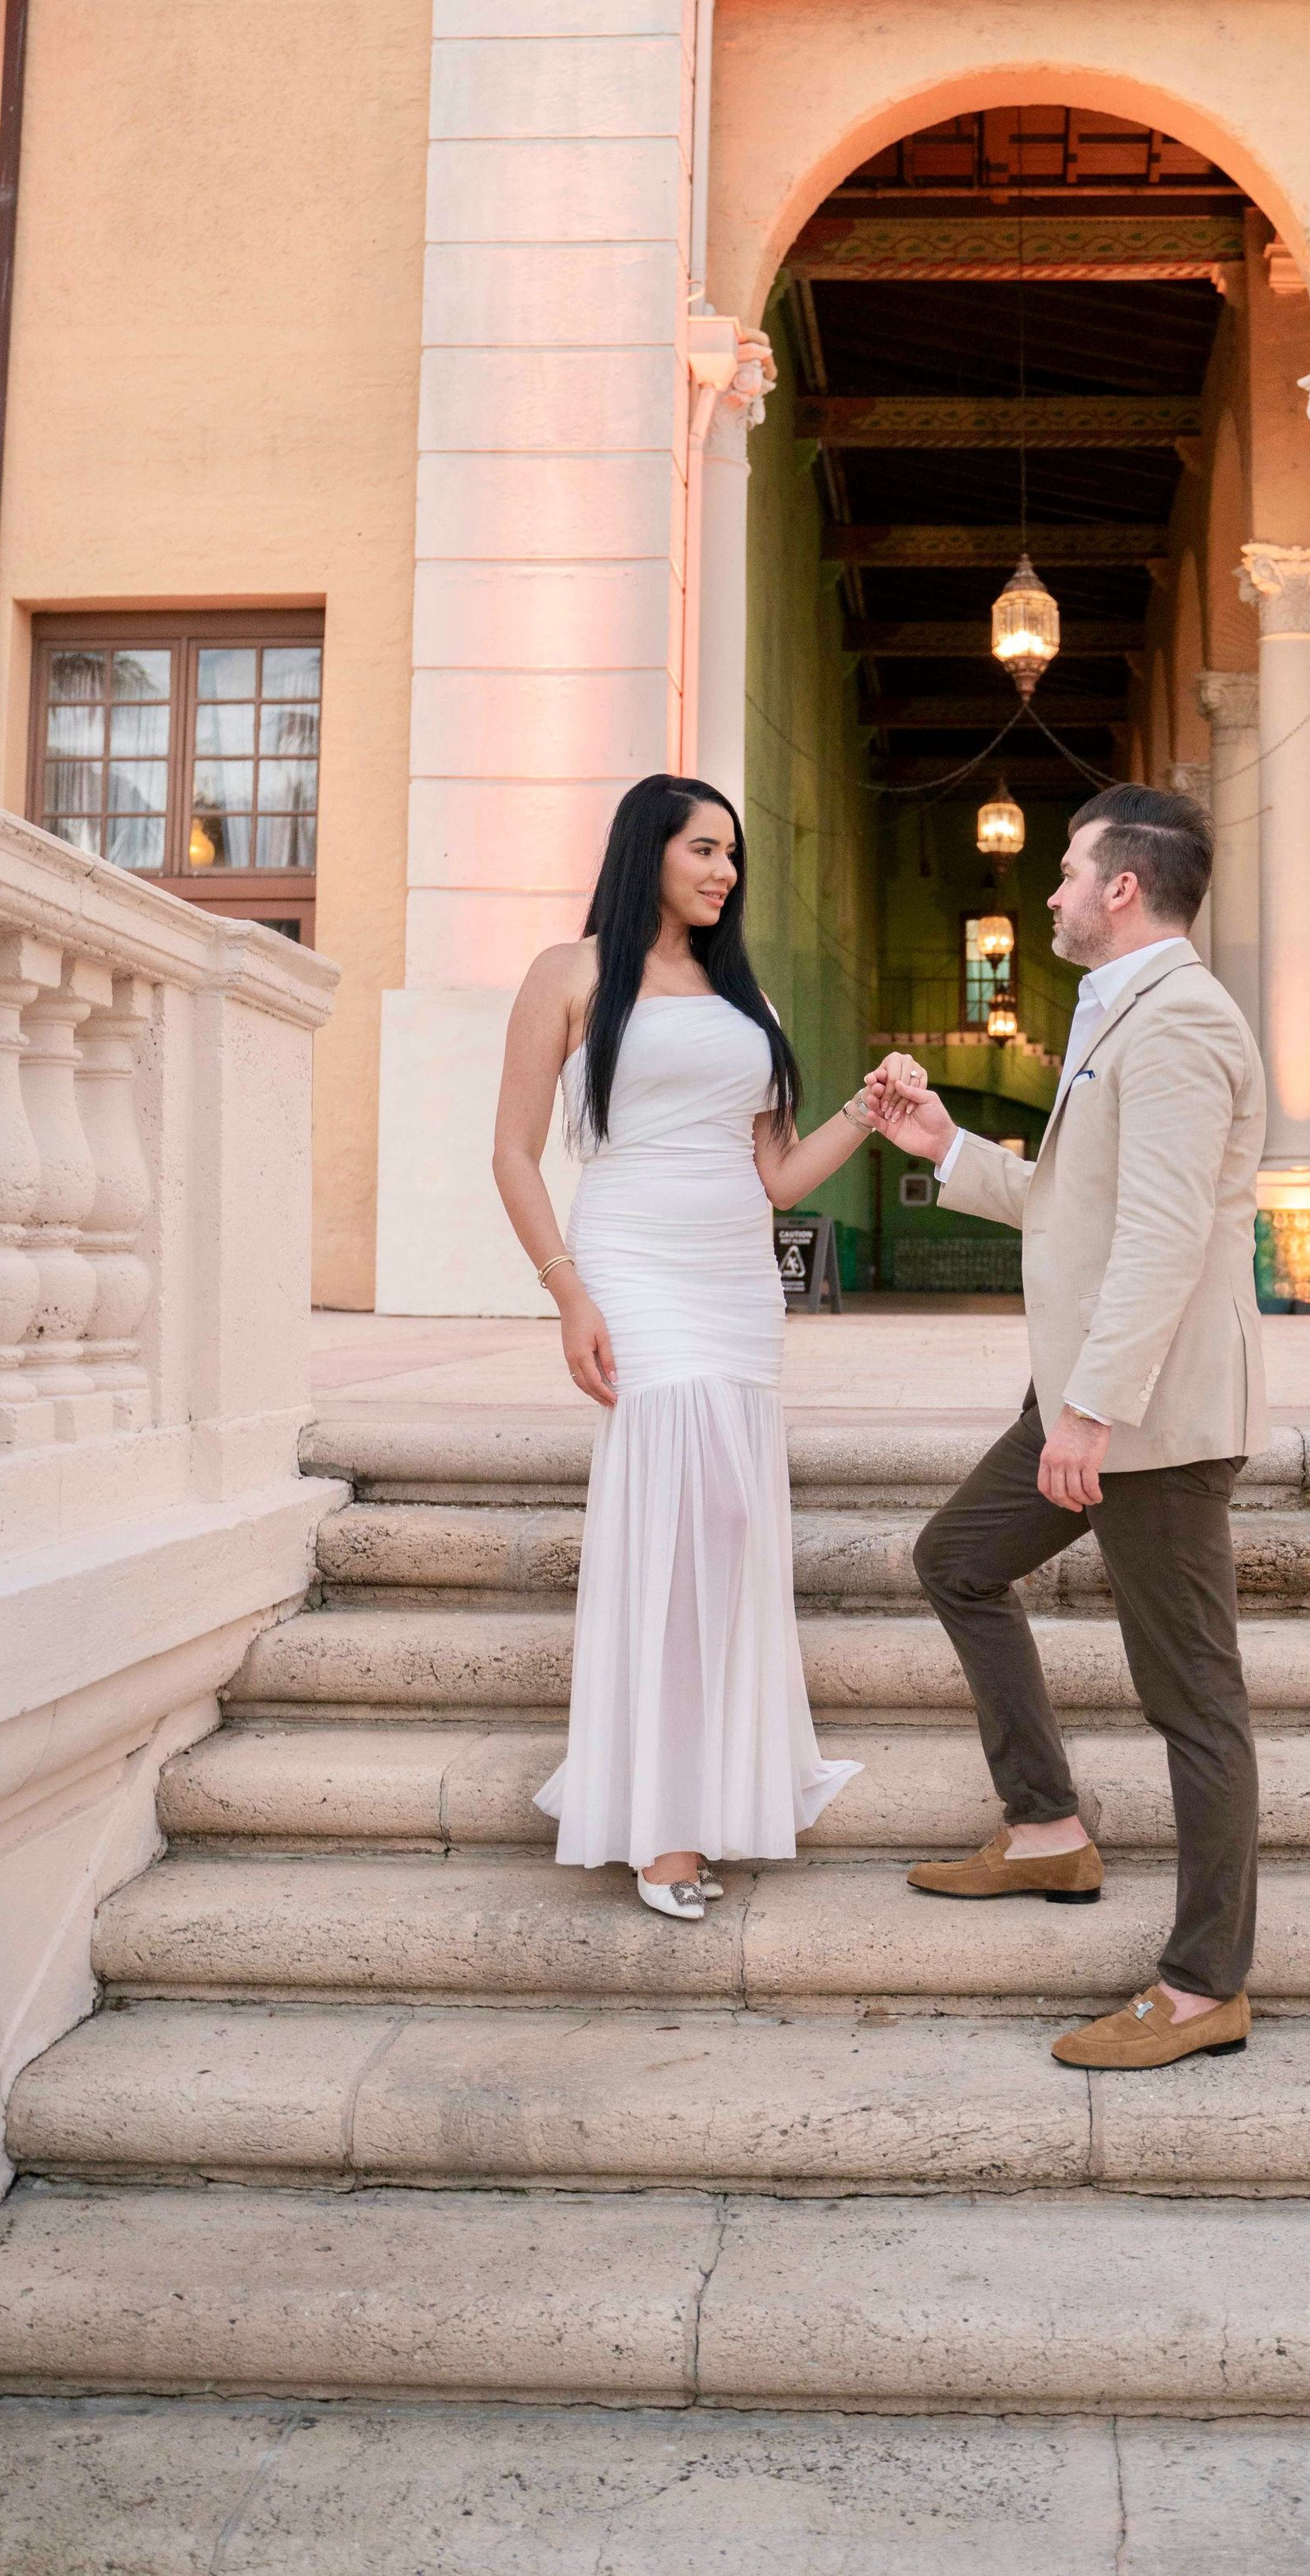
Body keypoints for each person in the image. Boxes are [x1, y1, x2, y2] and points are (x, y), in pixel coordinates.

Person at [867, 782, 1267, 2070]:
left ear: (1124, 889)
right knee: (958, 1559)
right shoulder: (1122, 1018)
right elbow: (1080, 1203)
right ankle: (1047, 1828)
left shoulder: (1179, 1024)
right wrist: (946, 1145)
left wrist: (1088, 1409)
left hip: (1146, 1418)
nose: (1049, 891)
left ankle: (1206, 1984)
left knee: (1194, 1703)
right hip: (1087, 1397)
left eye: (1067, 868)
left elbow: (1159, 1239)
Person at [491, 773, 883, 1920]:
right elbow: (514, 1151)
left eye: (732, 856)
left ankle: (720, 1780)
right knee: (668, 1517)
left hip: (733, 1277)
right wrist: (567, 1290)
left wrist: (864, 1112)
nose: (723, 871)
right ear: (647, 849)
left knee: (725, 1520)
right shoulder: (568, 974)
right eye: (705, 849)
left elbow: (776, 1172)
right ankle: (658, 1823)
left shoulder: (741, 992)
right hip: (633, 1264)